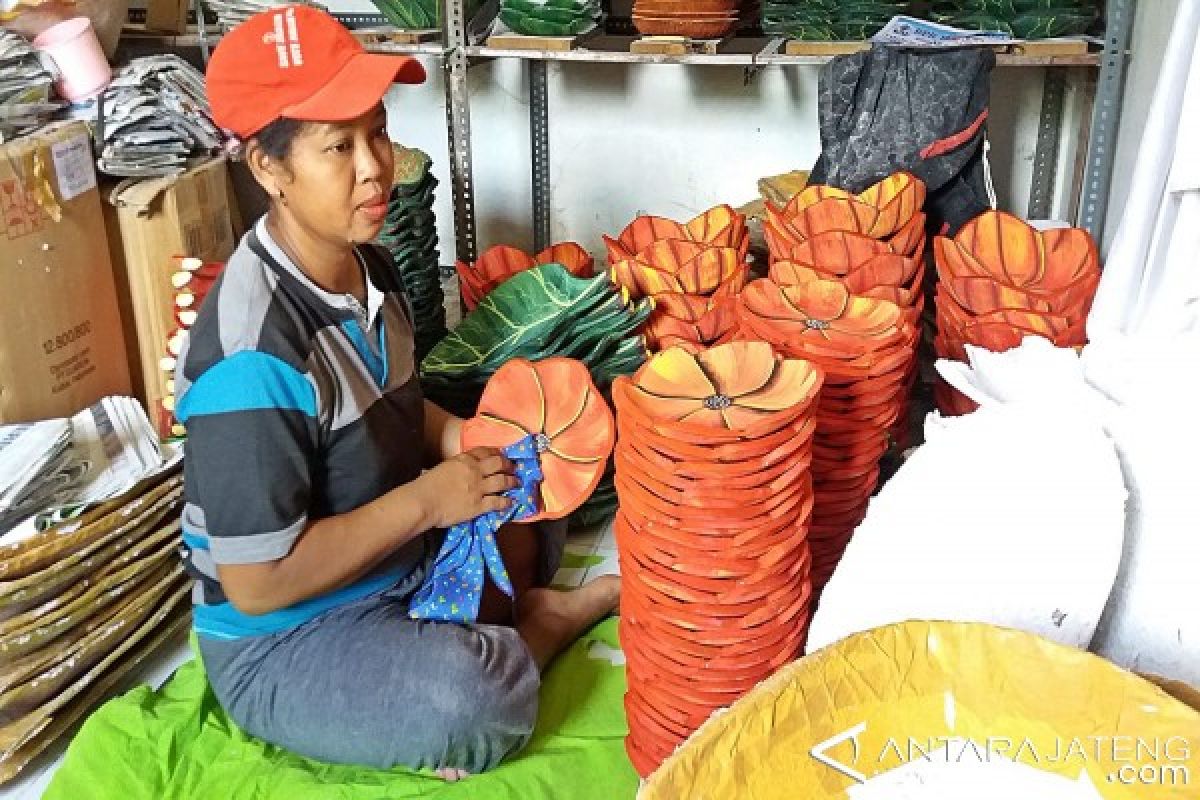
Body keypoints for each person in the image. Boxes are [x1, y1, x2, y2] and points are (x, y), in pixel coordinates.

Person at [176, 5, 619, 781]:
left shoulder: (370, 268)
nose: (375, 166)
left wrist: (464, 442)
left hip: (388, 557)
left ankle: (497, 610)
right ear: (269, 168)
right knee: (475, 701)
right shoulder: (253, 353)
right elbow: (258, 583)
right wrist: (430, 502)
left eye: (377, 131)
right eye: (338, 147)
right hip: (290, 631)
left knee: (537, 490)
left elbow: (397, 414)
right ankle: (538, 631)